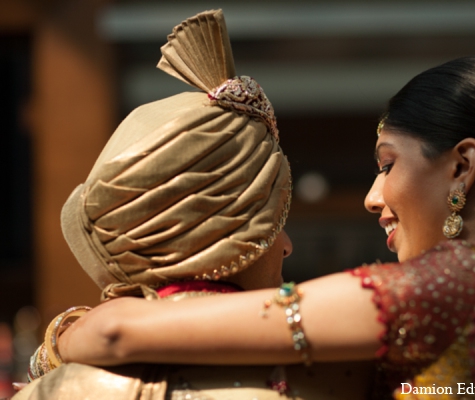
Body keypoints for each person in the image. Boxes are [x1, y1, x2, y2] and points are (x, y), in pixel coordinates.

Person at [47, 47, 475, 399]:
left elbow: (117, 334)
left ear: (462, 166)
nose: (371, 196)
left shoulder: (464, 286)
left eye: (388, 165)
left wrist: (64, 334)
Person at [14, 10, 375, 400]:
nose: (286, 244)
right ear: (221, 232)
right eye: (272, 219)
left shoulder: (57, 385)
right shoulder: (330, 379)